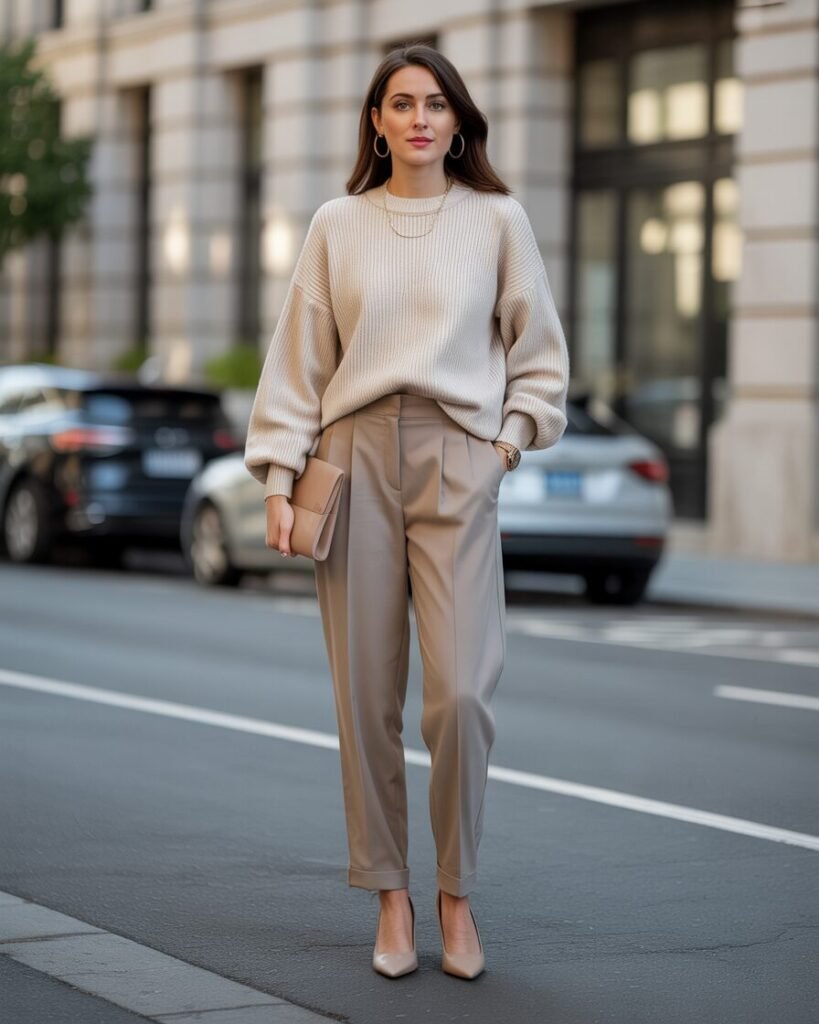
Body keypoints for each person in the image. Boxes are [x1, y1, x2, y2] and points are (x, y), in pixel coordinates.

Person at [244, 43, 570, 980]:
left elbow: (539, 358)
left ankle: (455, 896)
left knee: (460, 694)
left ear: (458, 122)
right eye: (400, 103)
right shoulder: (336, 224)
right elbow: (299, 359)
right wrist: (277, 479)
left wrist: (503, 447)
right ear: (376, 123)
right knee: (365, 700)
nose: (419, 118)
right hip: (349, 460)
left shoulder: (497, 220)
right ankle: (390, 897)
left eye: (435, 103)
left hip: (456, 457)